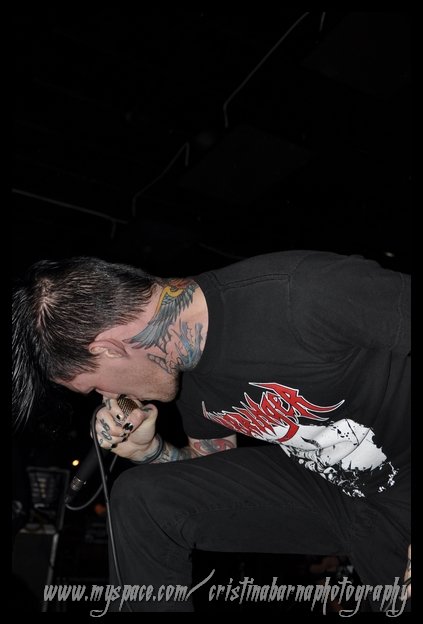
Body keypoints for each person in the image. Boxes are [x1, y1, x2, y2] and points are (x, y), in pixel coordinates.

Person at [12, 250, 410, 612]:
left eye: (96, 387)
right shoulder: (189, 372)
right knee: (142, 496)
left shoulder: (302, 292)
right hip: (339, 494)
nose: (108, 397)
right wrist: (151, 452)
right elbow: (215, 481)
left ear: (108, 349)